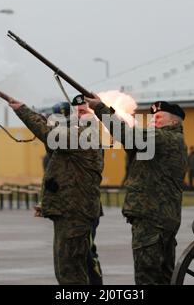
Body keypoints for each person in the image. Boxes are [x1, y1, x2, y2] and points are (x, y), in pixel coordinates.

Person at [86, 96, 188, 285]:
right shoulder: (169, 140)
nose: (153, 120)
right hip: (161, 217)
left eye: (159, 118)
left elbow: (128, 136)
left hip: (151, 218)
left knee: (146, 276)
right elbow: (133, 141)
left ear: (174, 121)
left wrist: (100, 108)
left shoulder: (163, 137)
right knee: (163, 276)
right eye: (152, 118)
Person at [9, 97, 104, 285]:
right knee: (67, 267)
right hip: (69, 210)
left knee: (73, 269)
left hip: (77, 212)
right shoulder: (74, 138)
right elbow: (62, 174)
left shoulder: (83, 136)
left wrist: (23, 110)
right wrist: (47, 202)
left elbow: (50, 135)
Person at [71, 94, 104, 285]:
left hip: (88, 205)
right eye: (77, 111)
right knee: (75, 254)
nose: (79, 113)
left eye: (83, 110)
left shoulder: (90, 135)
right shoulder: (71, 131)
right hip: (73, 204)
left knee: (87, 253)